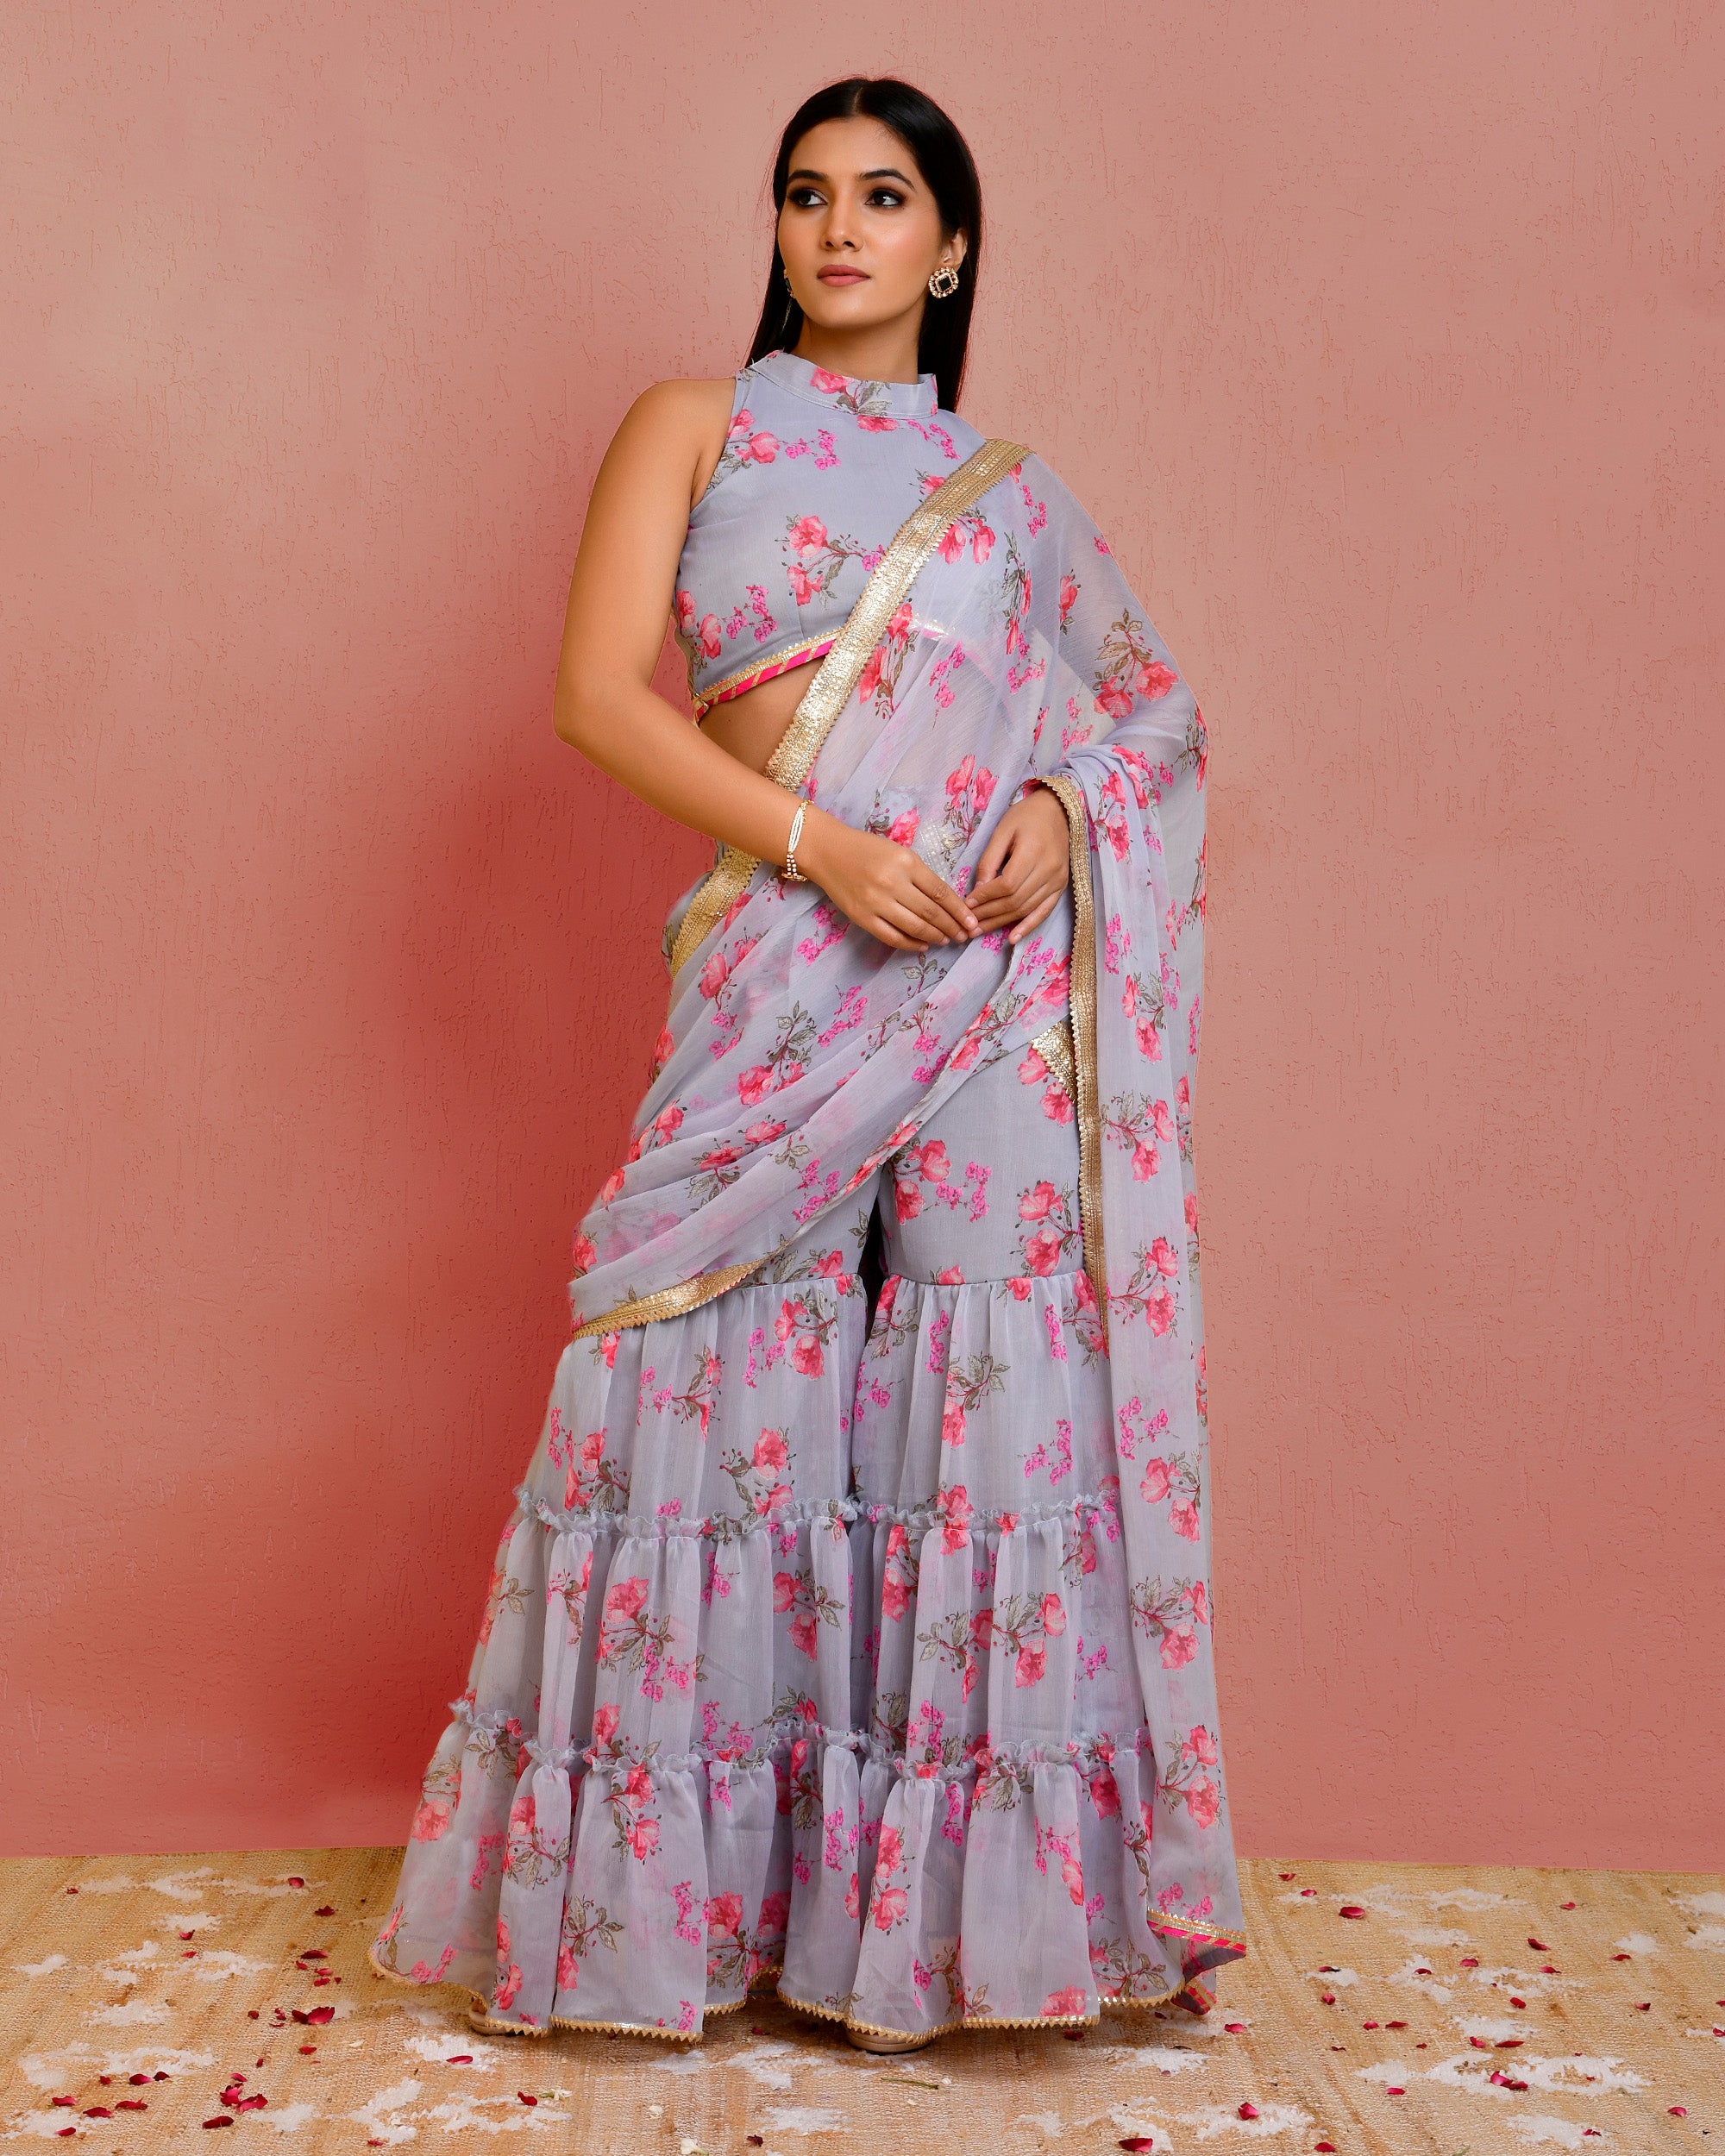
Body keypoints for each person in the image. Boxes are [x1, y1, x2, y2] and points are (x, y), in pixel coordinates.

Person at [369, 74, 1244, 2054]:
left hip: (985, 993)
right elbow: (595, 694)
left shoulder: (1006, 495)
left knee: (974, 1409)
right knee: (718, 1390)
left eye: (883, 196)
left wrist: (1058, 802)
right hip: (786, 959)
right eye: (804, 193)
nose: (837, 228)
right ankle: (691, 1908)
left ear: (951, 246)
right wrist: (819, 848)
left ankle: (941, 1933)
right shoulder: (697, 424)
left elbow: (1156, 717)